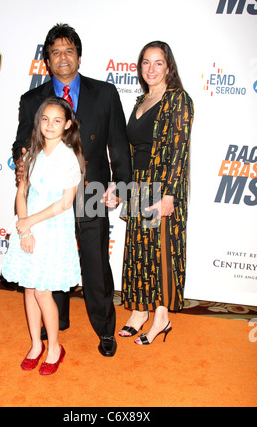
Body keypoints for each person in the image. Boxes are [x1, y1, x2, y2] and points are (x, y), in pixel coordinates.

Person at [12, 23, 131, 357]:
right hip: (48, 194)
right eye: (55, 52)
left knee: (95, 262)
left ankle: (105, 330)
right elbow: (21, 143)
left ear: (78, 55)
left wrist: (119, 186)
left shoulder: (104, 93)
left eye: (68, 50)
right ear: (46, 60)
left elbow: (118, 145)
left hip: (92, 190)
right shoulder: (31, 99)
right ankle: (57, 323)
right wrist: (21, 160)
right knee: (50, 259)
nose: (62, 58)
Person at [118, 41, 194, 345]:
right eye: (145, 63)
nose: (151, 69)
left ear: (168, 67)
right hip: (139, 184)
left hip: (163, 186)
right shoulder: (141, 100)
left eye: (158, 63)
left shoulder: (178, 99)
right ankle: (139, 310)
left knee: (162, 252)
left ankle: (161, 315)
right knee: (139, 251)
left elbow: (179, 150)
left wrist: (169, 196)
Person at [2, 97, 84, 375]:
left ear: (67, 124)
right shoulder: (30, 153)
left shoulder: (69, 158)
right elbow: (21, 191)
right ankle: (36, 344)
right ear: (38, 122)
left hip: (52, 227)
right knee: (28, 285)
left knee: (42, 290)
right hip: (29, 224)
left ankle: (54, 348)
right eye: (45, 119)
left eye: (57, 120)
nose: (50, 125)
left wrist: (29, 223)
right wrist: (24, 226)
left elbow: (63, 204)